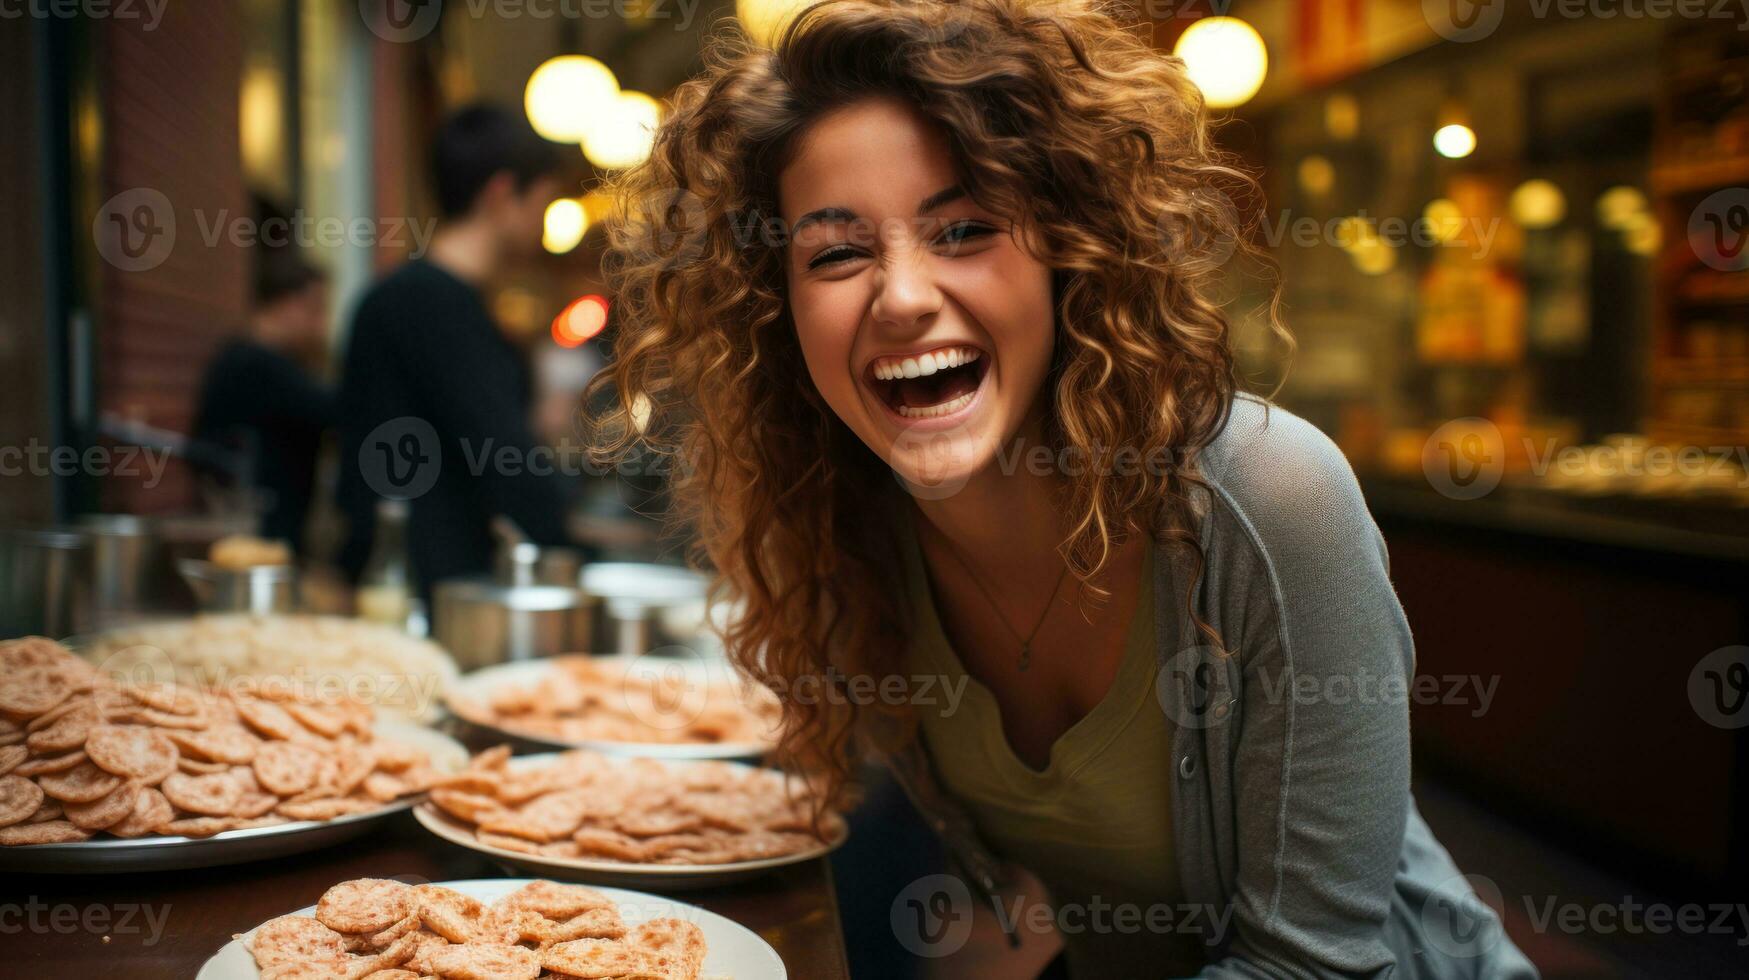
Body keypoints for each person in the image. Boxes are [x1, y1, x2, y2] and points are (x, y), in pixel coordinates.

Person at [589, 1, 1541, 978]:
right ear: (781, 310)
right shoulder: (846, 532)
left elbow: (1313, 966)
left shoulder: (1272, 496)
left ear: (1065, 247)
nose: (905, 295)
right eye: (836, 252)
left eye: (964, 228)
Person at [336, 104, 573, 605]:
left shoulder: (420, 298)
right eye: (543, 205)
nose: (544, 227)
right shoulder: (431, 303)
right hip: (420, 597)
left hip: (424, 589)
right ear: (502, 194)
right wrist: (573, 548)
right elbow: (507, 460)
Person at [192, 241, 335, 554]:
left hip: (264, 522)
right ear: (288, 304)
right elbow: (332, 410)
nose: (321, 325)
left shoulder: (248, 358)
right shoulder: (257, 363)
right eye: (317, 309)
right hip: (259, 528)